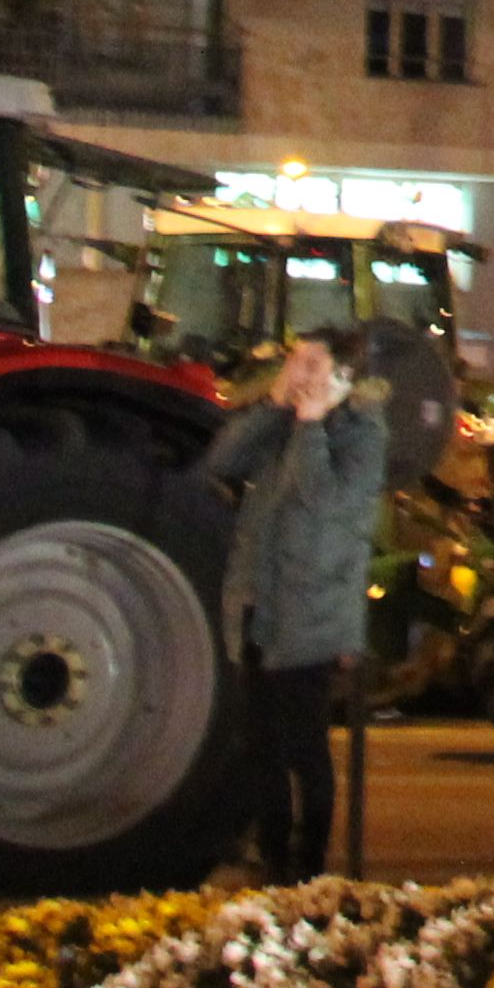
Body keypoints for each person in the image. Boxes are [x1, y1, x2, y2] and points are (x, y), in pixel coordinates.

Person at [200, 325, 387, 883]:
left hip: (313, 613)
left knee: (304, 746)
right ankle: (272, 856)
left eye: (311, 364)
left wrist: (310, 427)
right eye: (295, 361)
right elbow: (224, 460)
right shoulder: (282, 421)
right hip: (260, 603)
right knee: (260, 746)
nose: (299, 372)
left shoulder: (363, 434)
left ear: (342, 377)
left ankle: (307, 867)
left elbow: (325, 500)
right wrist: (274, 404)